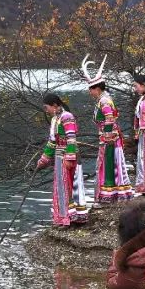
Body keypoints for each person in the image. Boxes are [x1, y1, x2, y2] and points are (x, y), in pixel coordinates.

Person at [82, 55, 134, 203]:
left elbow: (109, 118)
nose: (89, 92)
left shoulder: (104, 101)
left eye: (90, 89)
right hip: (109, 137)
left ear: (97, 88)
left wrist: (107, 137)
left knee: (109, 163)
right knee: (108, 163)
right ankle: (111, 193)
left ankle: (110, 193)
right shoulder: (103, 99)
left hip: (109, 139)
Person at [36, 92, 89, 226]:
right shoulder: (55, 119)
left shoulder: (67, 117)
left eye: (46, 107)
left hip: (68, 156)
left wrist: (69, 158)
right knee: (61, 186)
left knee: (70, 185)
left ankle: (74, 216)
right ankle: (64, 216)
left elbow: (71, 139)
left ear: (54, 105)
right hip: (59, 157)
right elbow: (52, 142)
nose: (46, 110)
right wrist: (44, 159)